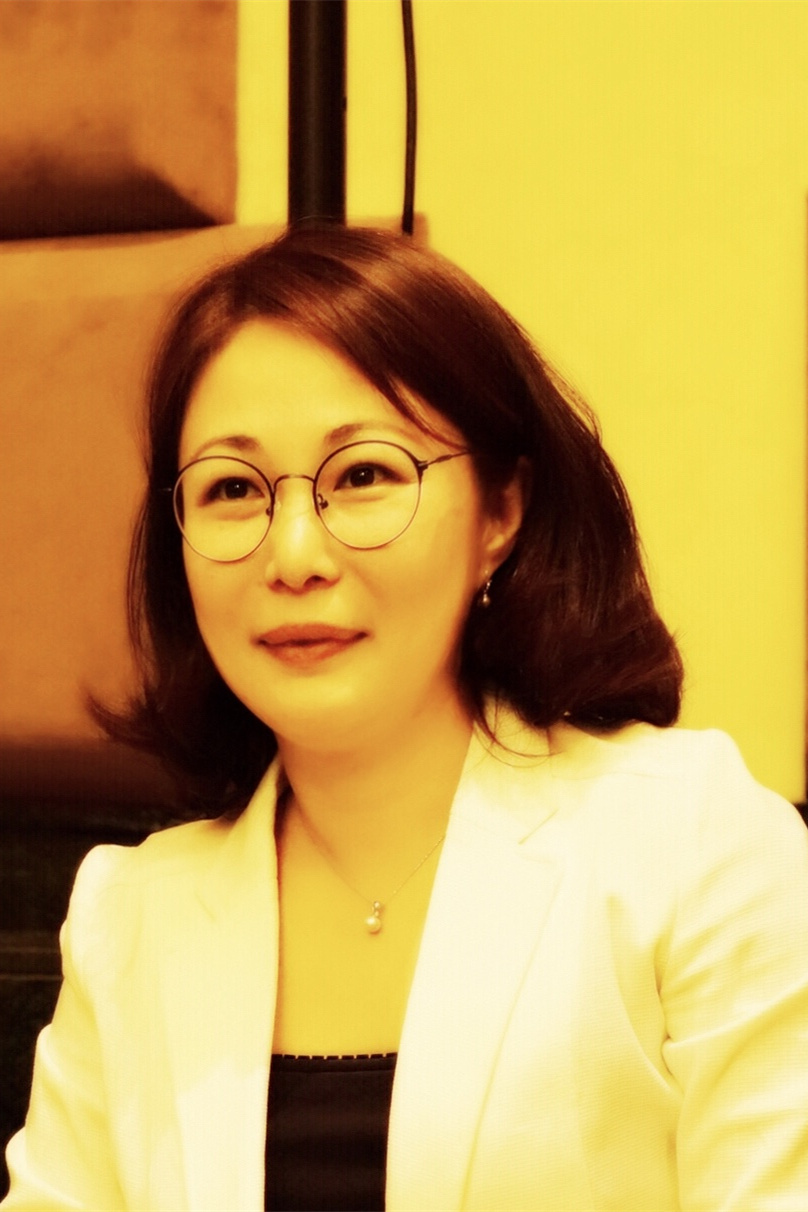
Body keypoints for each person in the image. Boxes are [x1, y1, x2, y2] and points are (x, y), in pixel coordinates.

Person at [3, 225, 807, 1212]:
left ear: (500, 512)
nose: (294, 555)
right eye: (232, 490)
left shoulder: (693, 846)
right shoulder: (130, 917)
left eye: (363, 476)